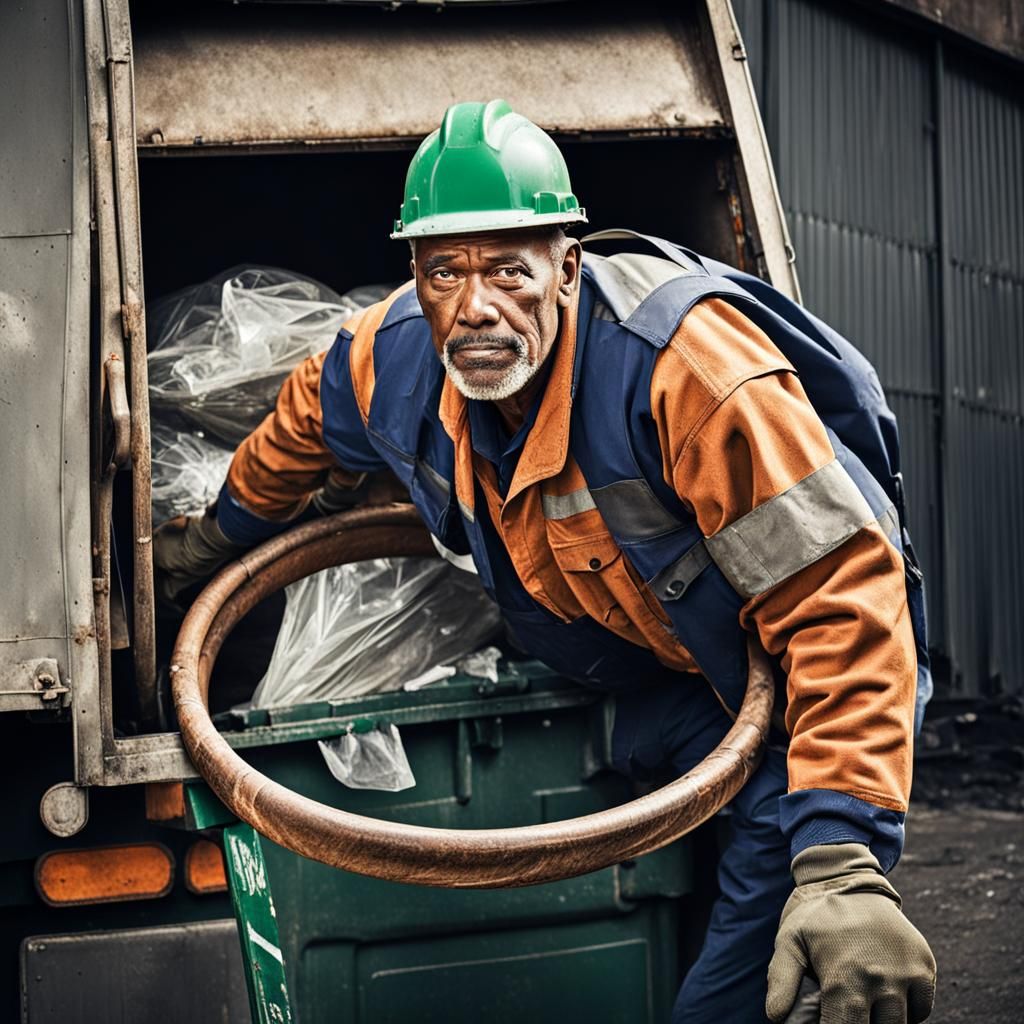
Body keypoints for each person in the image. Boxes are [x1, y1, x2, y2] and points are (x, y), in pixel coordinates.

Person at [154, 100, 936, 1024]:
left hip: (773, 697)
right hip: (643, 676)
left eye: (506, 271)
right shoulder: (389, 359)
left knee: (735, 968)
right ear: (413, 273)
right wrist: (212, 541)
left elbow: (840, 597)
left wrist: (843, 863)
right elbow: (298, 429)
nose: (474, 306)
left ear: (567, 269)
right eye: (445, 270)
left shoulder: (686, 374)